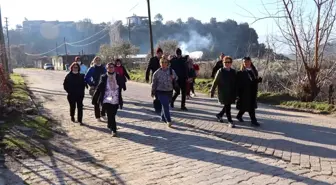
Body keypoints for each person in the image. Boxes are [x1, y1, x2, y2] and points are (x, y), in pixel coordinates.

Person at [92, 62, 125, 137]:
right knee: (110, 114)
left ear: (114, 68)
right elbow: (99, 87)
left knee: (113, 113)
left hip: (116, 98)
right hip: (107, 98)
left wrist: (124, 86)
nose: (111, 68)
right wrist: (95, 97)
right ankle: (114, 130)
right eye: (109, 67)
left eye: (112, 67)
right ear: (107, 69)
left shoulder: (118, 76)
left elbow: (121, 84)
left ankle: (110, 124)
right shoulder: (103, 77)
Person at [210, 56, 237, 128]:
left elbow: (236, 82)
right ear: (223, 63)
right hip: (223, 92)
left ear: (231, 63)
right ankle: (230, 121)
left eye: (229, 62)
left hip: (231, 92)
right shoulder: (220, 71)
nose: (227, 63)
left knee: (227, 105)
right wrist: (212, 91)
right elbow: (215, 82)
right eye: (225, 62)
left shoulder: (233, 72)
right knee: (228, 106)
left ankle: (219, 115)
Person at [151, 57, 178, 127]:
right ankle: (168, 120)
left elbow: (176, 78)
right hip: (160, 91)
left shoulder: (171, 71)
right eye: (162, 62)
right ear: (160, 63)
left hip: (169, 91)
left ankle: (163, 117)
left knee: (165, 105)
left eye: (165, 62)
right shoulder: (156, 73)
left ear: (168, 63)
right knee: (166, 105)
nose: (164, 64)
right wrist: (153, 92)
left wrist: (173, 78)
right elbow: (154, 83)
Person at [236, 57, 262, 127]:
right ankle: (253, 120)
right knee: (250, 106)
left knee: (246, 106)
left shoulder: (254, 70)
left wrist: (258, 81)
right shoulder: (240, 73)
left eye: (248, 61)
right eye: (245, 62)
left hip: (253, 91)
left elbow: (253, 81)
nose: (246, 63)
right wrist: (237, 94)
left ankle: (239, 116)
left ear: (250, 62)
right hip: (244, 92)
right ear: (243, 63)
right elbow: (238, 84)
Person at [84, 56, 107, 122]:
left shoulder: (104, 68)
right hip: (95, 87)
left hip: (103, 86)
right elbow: (86, 77)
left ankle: (103, 114)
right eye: (96, 60)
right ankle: (97, 116)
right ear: (94, 61)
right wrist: (91, 84)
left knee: (104, 102)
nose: (98, 61)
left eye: (99, 60)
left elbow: (107, 76)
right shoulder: (92, 68)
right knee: (96, 102)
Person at [146, 48, 164, 113]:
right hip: (155, 79)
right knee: (155, 94)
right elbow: (148, 68)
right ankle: (157, 108)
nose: (160, 54)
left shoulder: (163, 60)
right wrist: (147, 77)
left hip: (162, 79)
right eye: (159, 53)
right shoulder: (152, 59)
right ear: (157, 54)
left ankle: (160, 107)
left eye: (161, 53)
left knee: (160, 94)